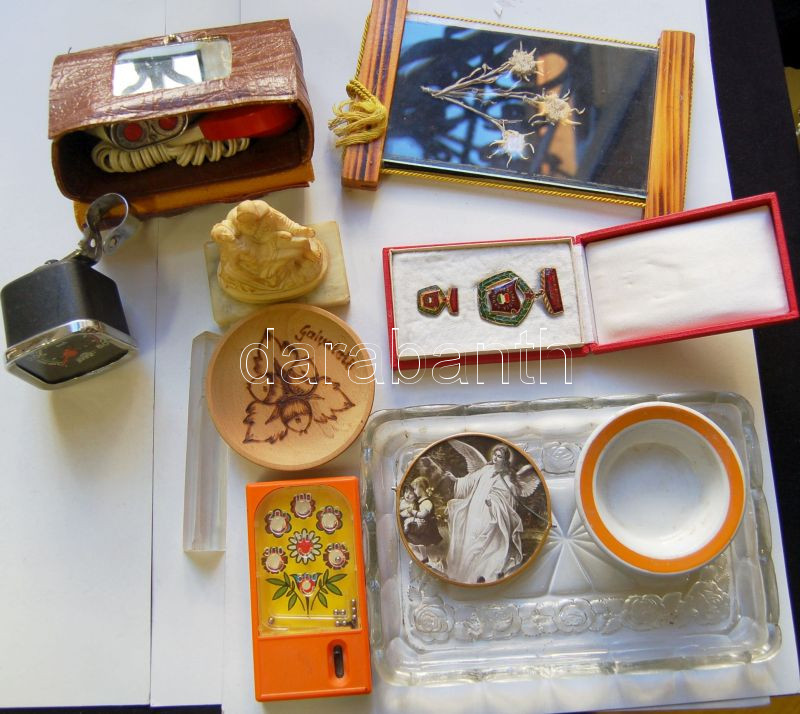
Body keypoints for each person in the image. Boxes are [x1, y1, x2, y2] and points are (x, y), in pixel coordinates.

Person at [444, 444, 523, 583]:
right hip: (474, 509)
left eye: (499, 456)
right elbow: (471, 480)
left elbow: (507, 498)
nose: (495, 458)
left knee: (482, 541)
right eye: (495, 455)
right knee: (469, 538)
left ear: (505, 460)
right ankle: (462, 572)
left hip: (489, 513)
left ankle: (478, 574)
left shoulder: (506, 478)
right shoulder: (486, 469)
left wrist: (493, 502)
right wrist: (456, 480)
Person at [403, 476, 442, 563]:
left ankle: (438, 558)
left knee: (425, 542)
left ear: (421, 488)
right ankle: (425, 558)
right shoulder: (421, 500)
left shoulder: (427, 502)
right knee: (419, 542)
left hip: (428, 527)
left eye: (415, 489)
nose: (414, 491)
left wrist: (413, 512)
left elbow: (423, 515)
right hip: (423, 526)